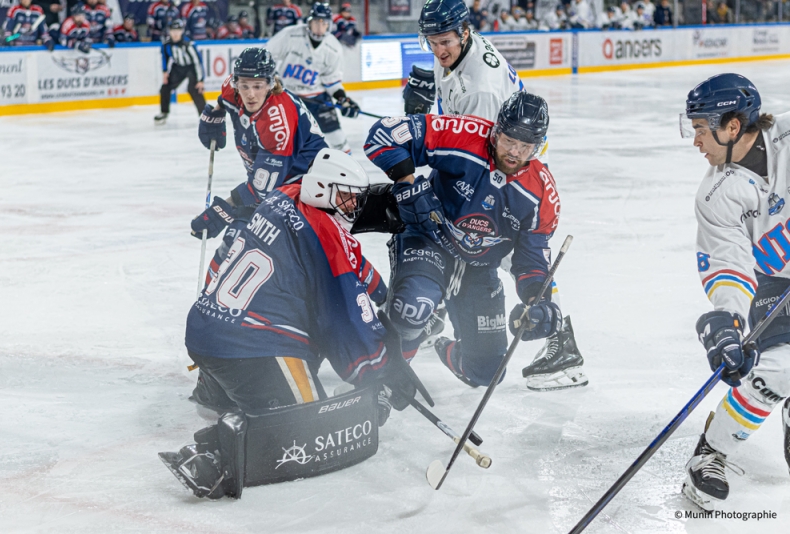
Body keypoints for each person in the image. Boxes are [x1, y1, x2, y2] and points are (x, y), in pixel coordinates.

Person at [159, 149, 415, 499]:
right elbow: (344, 318)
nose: (353, 207)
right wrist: (381, 369)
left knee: (295, 316)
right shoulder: (325, 234)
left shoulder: (283, 195)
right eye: (346, 197)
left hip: (207, 332)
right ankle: (213, 455)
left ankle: (214, 388)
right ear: (322, 190)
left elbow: (338, 259)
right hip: (253, 347)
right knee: (314, 426)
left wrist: (380, 296)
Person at [404, 0, 587, 390]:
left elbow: (482, 155)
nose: (438, 50)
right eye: (431, 42)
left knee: (505, 250)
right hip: (502, 158)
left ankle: (560, 338)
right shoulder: (455, 48)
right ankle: (437, 304)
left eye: (444, 41)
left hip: (511, 169)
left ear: (464, 33)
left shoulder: (481, 90)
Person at [363, 92, 567, 389]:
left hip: (479, 268)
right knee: (412, 308)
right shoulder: (464, 134)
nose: (514, 152)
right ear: (496, 131)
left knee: (487, 372)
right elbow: (383, 134)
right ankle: (381, 379)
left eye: (525, 147)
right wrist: (407, 185)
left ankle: (442, 345)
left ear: (539, 146)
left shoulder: (542, 194)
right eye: (509, 141)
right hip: (428, 239)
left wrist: (537, 302)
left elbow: (532, 259)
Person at [678, 73, 790, 510]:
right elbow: (729, 263)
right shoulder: (716, 194)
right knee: (779, 368)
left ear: (732, 126)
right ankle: (711, 452)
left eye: (700, 129)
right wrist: (728, 319)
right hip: (772, 280)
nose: (695, 141)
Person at [191, 47, 330, 241]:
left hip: (305, 188)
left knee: (242, 242)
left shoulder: (276, 125)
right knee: (235, 242)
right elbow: (225, 100)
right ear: (236, 83)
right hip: (274, 181)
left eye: (258, 86)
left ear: (270, 84)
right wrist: (216, 112)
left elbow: (262, 189)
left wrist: (223, 210)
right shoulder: (232, 88)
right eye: (244, 86)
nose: (250, 94)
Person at [266, 2, 360, 154]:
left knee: (338, 141)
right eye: (316, 22)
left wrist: (343, 99)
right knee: (284, 142)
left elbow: (332, 81)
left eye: (324, 23)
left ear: (329, 25)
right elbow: (267, 55)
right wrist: (274, 77)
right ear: (308, 22)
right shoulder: (290, 35)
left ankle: (347, 166)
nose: (319, 27)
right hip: (289, 98)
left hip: (318, 99)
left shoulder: (333, 47)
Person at [155, 19, 205, 124]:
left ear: (182, 31)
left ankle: (205, 114)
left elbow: (198, 62)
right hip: (177, 67)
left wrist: (200, 80)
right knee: (165, 88)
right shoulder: (167, 44)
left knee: (194, 89)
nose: (175, 33)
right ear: (169, 31)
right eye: (173, 30)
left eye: (178, 30)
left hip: (191, 67)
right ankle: (164, 112)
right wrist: (165, 72)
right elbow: (165, 57)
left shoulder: (189, 44)